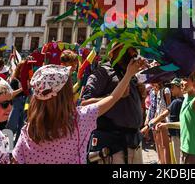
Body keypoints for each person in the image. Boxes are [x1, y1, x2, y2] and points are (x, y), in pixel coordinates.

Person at [13, 59, 145, 164]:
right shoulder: (79, 119)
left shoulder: (27, 132)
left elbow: (16, 159)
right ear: (67, 95)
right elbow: (113, 98)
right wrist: (128, 74)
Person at [82, 43, 145, 164]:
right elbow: (84, 104)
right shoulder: (103, 72)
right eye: (129, 48)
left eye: (134, 49)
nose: (134, 53)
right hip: (112, 146)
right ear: (116, 51)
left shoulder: (131, 74)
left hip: (134, 143)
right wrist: (113, 96)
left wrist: (141, 94)